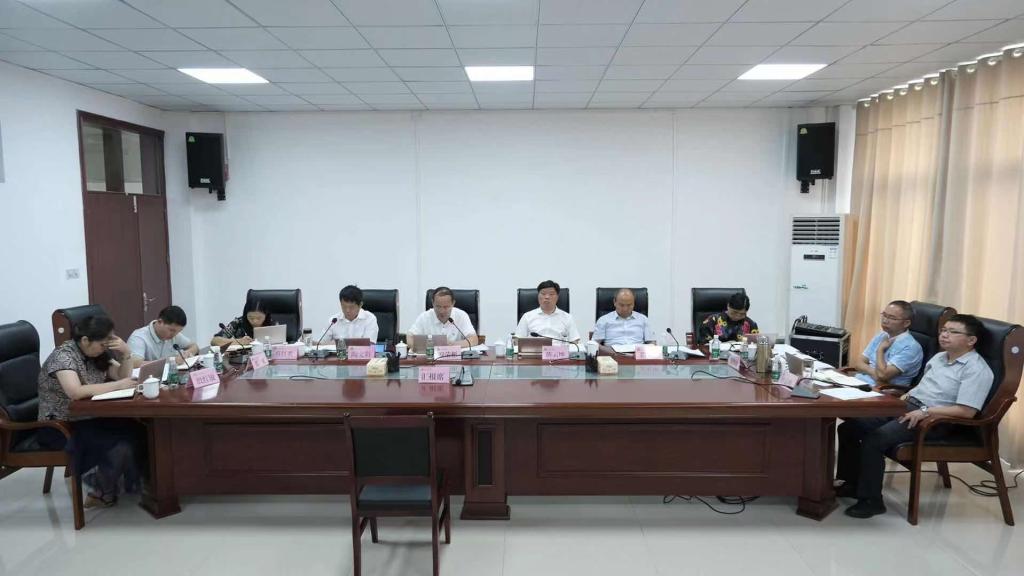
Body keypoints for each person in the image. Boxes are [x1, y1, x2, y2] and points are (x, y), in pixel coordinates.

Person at [836, 314, 993, 519]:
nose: (944, 335)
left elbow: (966, 412)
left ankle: (871, 501)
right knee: (849, 427)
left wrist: (926, 411)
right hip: (911, 407)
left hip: (936, 421)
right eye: (944, 330)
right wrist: (903, 396)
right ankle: (852, 484)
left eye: (953, 332)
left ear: (971, 340)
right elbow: (924, 387)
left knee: (875, 439)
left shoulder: (976, 369)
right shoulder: (939, 358)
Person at [36, 315, 145, 508]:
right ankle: (101, 491)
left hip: (89, 416)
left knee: (139, 428)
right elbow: (75, 392)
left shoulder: (96, 353)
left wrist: (126, 354)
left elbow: (121, 376)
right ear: (85, 340)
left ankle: (134, 484)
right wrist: (118, 386)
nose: (105, 347)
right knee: (119, 445)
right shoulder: (63, 356)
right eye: (103, 344)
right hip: (61, 424)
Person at [849, 300, 924, 387]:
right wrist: (874, 373)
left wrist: (880, 350)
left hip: (883, 391)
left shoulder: (911, 348)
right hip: (860, 382)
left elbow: (882, 375)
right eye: (884, 315)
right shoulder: (882, 335)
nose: (885, 320)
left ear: (906, 323)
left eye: (892, 318)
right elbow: (859, 363)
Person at [127, 305, 199, 366]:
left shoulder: (174, 335)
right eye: (171, 330)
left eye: (178, 331)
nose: (174, 335)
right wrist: (171, 361)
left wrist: (187, 353)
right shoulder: (139, 337)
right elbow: (135, 364)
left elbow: (194, 346)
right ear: (160, 322)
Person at [407, 286, 478, 348]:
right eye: (438, 306)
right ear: (432, 303)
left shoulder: (461, 315)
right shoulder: (424, 317)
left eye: (446, 307)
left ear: (453, 303)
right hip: (430, 357)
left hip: (454, 358)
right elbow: (410, 338)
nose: (441, 311)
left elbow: (474, 339)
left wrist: (453, 344)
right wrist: (427, 346)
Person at [516, 280, 581, 343]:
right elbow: (517, 340)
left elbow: (575, 341)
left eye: (551, 294)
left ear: (557, 297)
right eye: (543, 294)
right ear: (538, 296)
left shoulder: (567, 318)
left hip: (558, 350)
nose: (547, 297)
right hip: (535, 349)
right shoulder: (527, 317)